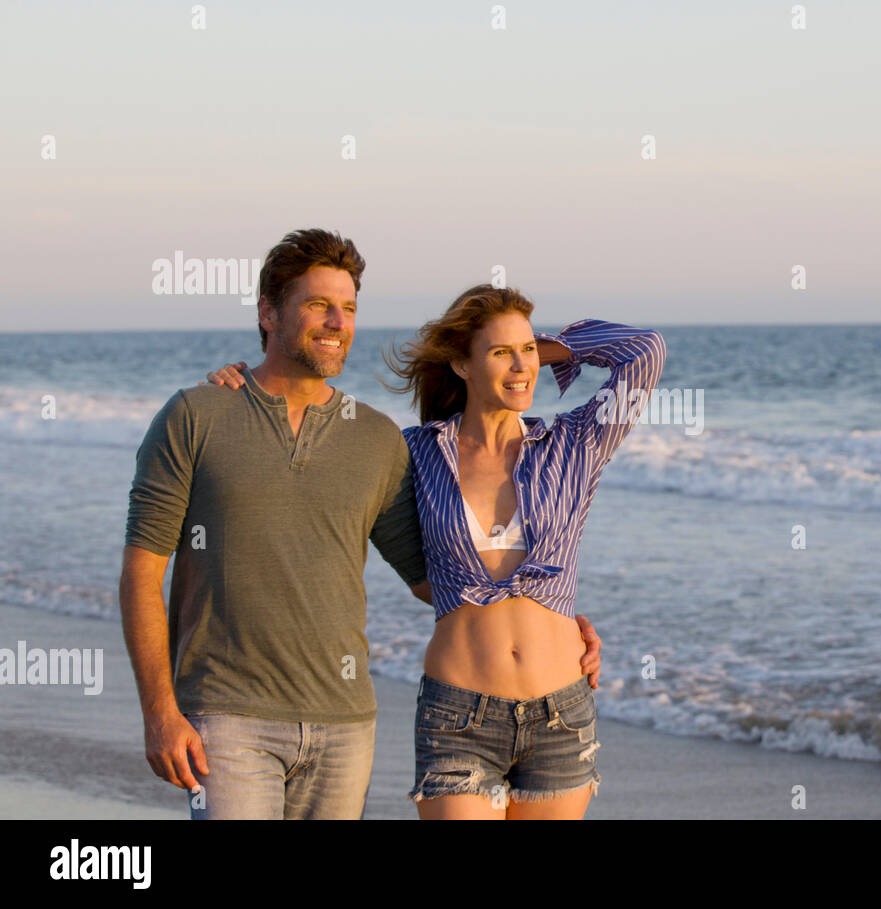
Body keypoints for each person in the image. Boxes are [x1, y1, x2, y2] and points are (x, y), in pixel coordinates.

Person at [121, 228, 603, 820]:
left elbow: (440, 579)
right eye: (318, 304)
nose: (335, 322)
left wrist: (554, 620)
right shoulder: (197, 414)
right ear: (268, 312)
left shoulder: (376, 440)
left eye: (347, 308)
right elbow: (141, 575)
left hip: (344, 726)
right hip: (227, 717)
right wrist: (160, 713)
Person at [208, 286, 664, 819]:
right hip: (459, 717)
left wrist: (548, 347)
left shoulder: (574, 444)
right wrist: (243, 390)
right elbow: (308, 451)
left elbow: (644, 351)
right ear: (460, 365)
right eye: (500, 353)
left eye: (527, 352)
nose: (522, 367)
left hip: (561, 717)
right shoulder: (412, 453)